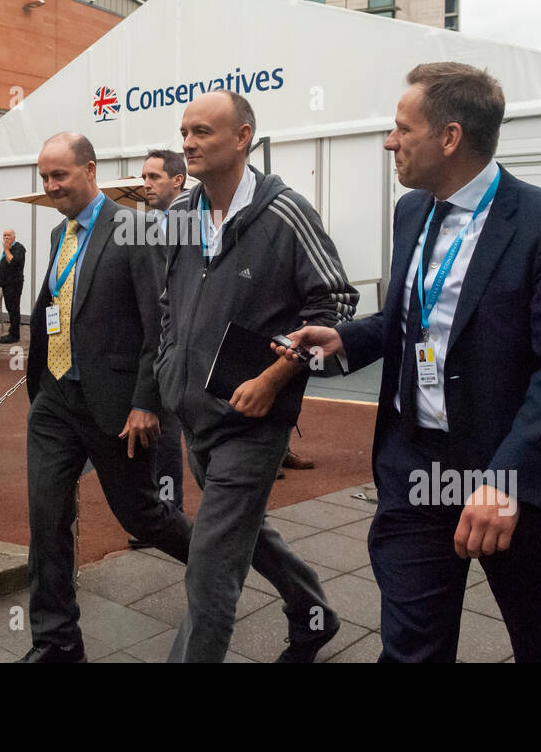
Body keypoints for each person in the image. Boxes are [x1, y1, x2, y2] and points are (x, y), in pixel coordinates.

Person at [279, 63, 541, 663]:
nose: (389, 142)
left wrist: (505, 480)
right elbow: (415, 320)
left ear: (450, 138)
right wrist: (347, 339)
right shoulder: (414, 212)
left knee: (536, 626)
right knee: (410, 646)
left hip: (502, 466)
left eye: (401, 128)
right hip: (414, 465)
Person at [156, 90, 357, 663]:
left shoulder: (286, 213)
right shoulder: (176, 217)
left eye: (202, 132)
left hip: (255, 422)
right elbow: (168, 305)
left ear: (242, 138)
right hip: (194, 414)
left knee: (210, 568)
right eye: (185, 131)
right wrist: (169, 370)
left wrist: (273, 377)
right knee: (245, 531)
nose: (188, 142)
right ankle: (312, 613)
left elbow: (336, 303)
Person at [20, 132, 193, 663]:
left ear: (90, 171)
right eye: (44, 178)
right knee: (46, 518)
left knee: (143, 516)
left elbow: (159, 324)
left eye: (60, 177)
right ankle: (56, 643)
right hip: (54, 400)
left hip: (114, 406)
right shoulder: (57, 235)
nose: (50, 187)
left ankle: (222, 557)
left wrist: (147, 402)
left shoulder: (135, 230)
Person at [127, 148, 188, 550]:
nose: (145, 184)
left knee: (170, 434)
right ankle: (161, 517)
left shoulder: (194, 224)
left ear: (177, 180)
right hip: (152, 343)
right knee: (156, 432)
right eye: (144, 177)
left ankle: (172, 520)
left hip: (183, 344)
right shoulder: (144, 226)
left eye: (154, 177)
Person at [0, 228, 25, 343]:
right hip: (6, 285)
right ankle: (11, 332)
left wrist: (6, 250)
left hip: (14, 285)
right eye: (4, 235)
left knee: (14, 309)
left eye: (8, 235)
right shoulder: (8, 249)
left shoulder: (18, 248)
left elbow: (13, 263)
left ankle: (14, 335)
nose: (6, 238)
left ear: (14, 237)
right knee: (10, 309)